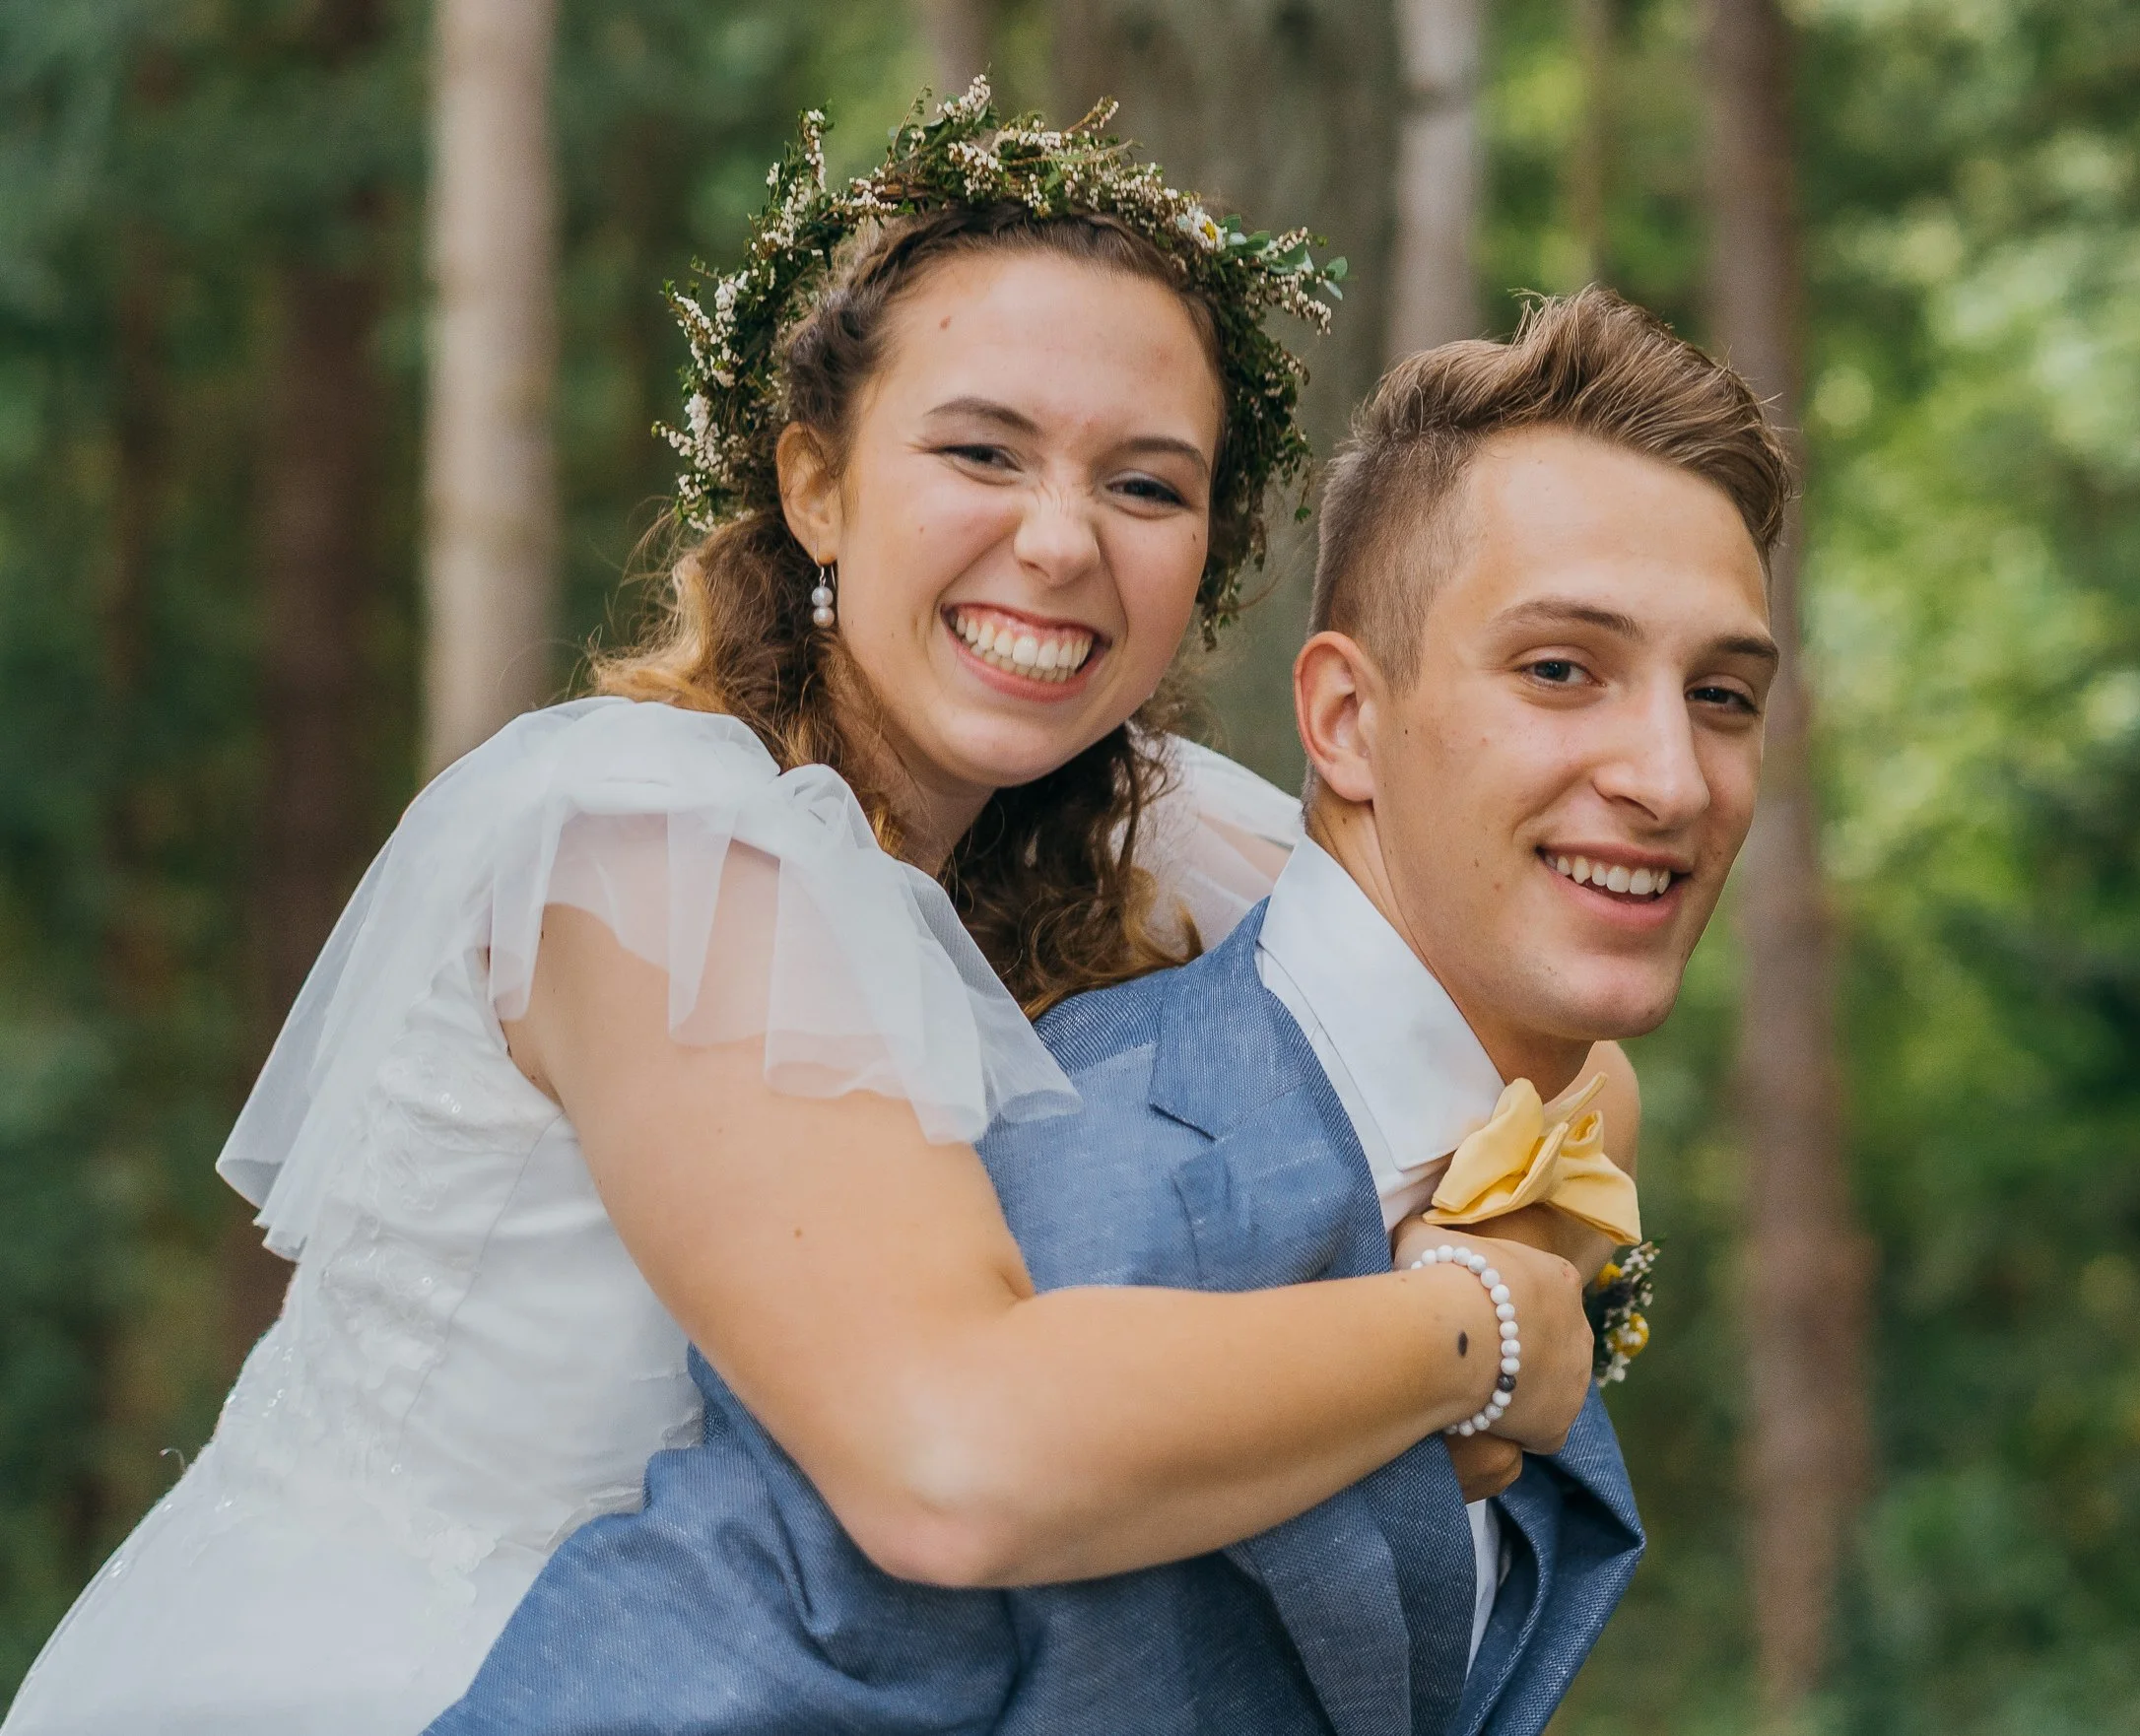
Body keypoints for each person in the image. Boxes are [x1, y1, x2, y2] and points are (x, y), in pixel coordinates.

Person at [1, 89, 1613, 1736]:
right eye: (981, 452)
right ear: (817, 485)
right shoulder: (653, 850)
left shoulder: (1162, 833)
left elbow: (1544, 1031)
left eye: (1145, 487)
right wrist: (1468, 1333)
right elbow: (949, 1460)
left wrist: (1519, 1235)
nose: (1059, 541)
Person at [426, 286, 1790, 1736]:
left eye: (1722, 696)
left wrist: (1517, 1243)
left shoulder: (1264, 941)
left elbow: (1557, 1068)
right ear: (1341, 723)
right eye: (1561, 669)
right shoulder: (1054, 1174)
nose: (1669, 776)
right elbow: (799, 1580)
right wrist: (1488, 1330)